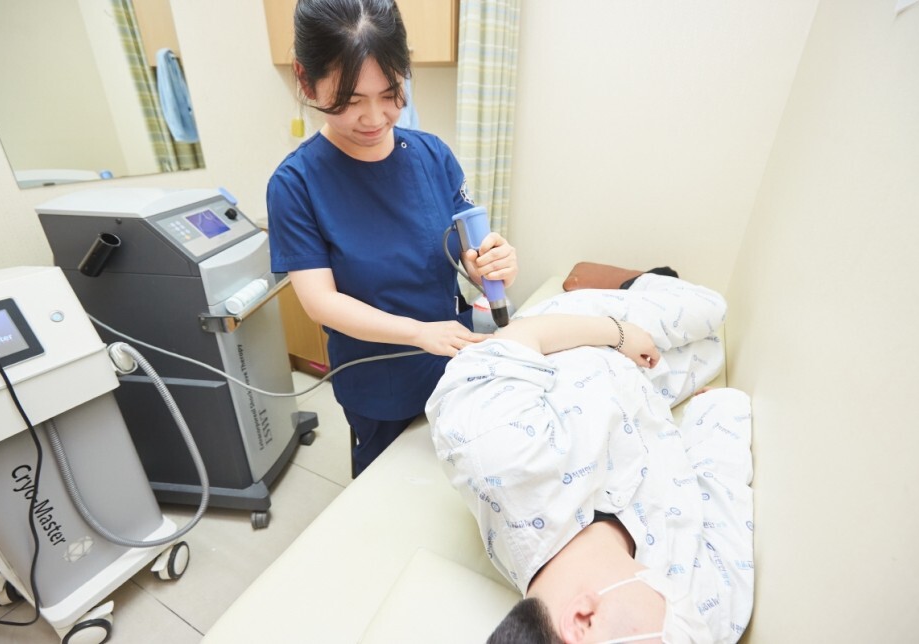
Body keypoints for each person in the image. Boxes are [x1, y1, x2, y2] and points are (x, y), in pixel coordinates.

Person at [426, 271, 754, 643]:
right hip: (643, 397)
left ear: (583, 619)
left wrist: (619, 333)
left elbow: (522, 337)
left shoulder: (499, 455)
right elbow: (723, 470)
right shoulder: (710, 612)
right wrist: (714, 410)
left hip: (577, 344)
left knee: (710, 309)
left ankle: (631, 283)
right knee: (713, 351)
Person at [266, 0, 518, 477]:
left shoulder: (432, 155)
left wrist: (490, 263)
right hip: (379, 383)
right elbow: (321, 302)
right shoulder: (296, 184)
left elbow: (466, 250)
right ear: (305, 80)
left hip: (454, 361)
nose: (375, 117)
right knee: (392, 488)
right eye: (350, 100)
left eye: (390, 93)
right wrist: (418, 333)